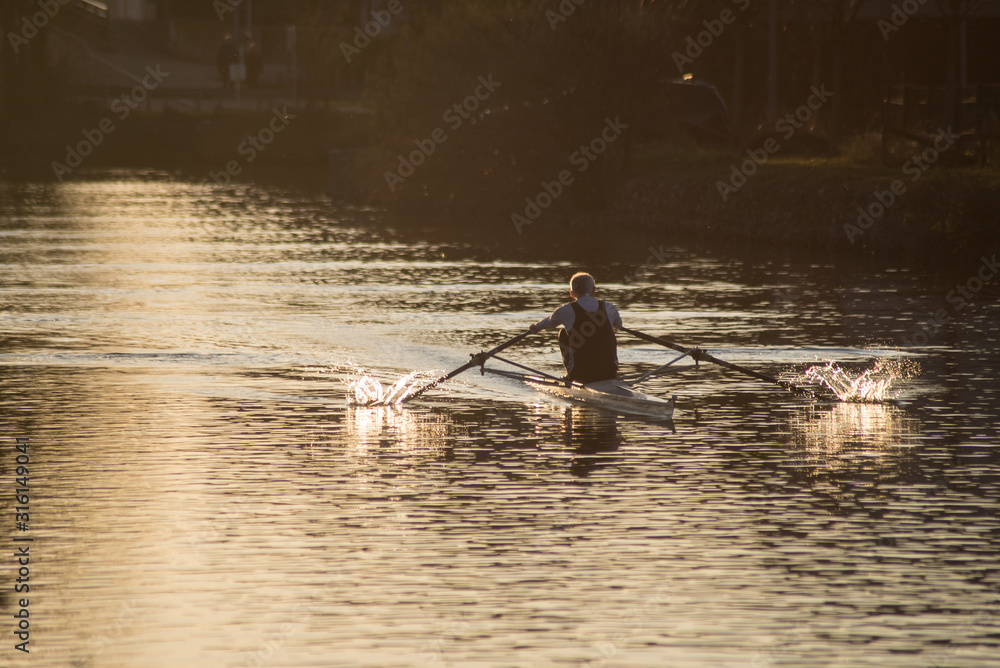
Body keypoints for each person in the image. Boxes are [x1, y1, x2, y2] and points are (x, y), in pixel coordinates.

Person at [529, 272, 622, 384]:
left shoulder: (565, 310)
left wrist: (535, 327)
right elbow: (619, 326)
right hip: (609, 372)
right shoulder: (610, 308)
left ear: (572, 294)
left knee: (563, 333)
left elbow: (549, 322)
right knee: (609, 331)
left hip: (581, 374)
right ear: (594, 290)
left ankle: (571, 375)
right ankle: (608, 370)